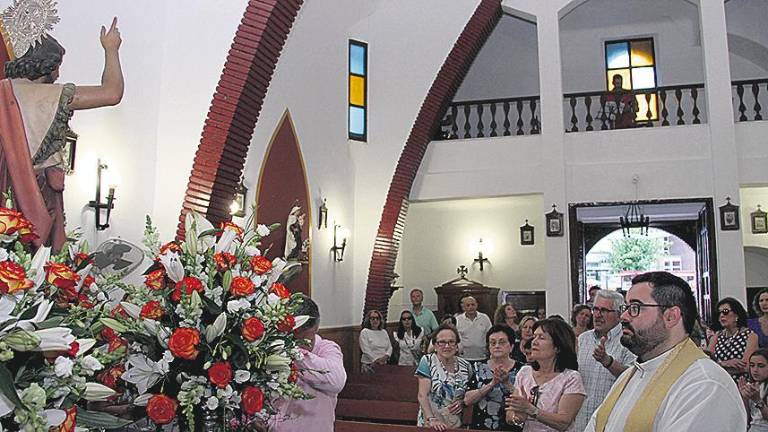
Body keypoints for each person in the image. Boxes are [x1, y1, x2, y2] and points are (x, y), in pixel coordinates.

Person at [1, 18, 124, 251]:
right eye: (57, 65)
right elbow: (112, 92)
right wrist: (111, 49)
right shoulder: (53, 96)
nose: (58, 73)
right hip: (38, 201)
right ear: (45, 65)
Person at [585, 271, 746, 431]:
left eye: (635, 307)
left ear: (671, 317)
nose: (624, 317)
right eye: (625, 308)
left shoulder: (705, 384)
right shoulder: (629, 376)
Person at [269, 294, 346, 432]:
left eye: (305, 339)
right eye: (293, 338)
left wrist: (294, 352)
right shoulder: (273, 348)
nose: (301, 344)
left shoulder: (327, 349)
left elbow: (337, 382)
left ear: (316, 327)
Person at [505, 318, 586, 432]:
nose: (534, 342)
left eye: (541, 338)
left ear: (558, 347)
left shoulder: (571, 378)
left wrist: (531, 410)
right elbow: (510, 415)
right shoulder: (525, 372)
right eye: (534, 337)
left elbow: (563, 423)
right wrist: (517, 418)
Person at [574, 290, 636, 432]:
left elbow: (633, 377)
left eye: (604, 310)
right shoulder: (583, 339)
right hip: (581, 421)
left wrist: (607, 362)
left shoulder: (628, 339)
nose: (597, 315)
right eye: (595, 309)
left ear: (618, 314)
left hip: (612, 422)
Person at [464, 325, 524, 431]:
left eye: (501, 342)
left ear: (511, 346)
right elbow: (467, 400)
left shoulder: (523, 370)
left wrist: (507, 384)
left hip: (514, 426)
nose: (497, 346)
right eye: (492, 343)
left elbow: (527, 400)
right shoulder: (477, 367)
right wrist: (492, 383)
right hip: (482, 426)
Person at [415, 324, 474, 431]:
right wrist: (431, 419)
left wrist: (462, 403)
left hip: (455, 423)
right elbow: (422, 395)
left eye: (451, 342)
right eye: (442, 342)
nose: (447, 346)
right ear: (435, 345)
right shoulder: (427, 361)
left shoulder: (466, 365)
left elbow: (468, 394)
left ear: (457, 346)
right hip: (431, 423)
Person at [709, 297, 758, 382]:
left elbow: (746, 367)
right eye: (719, 313)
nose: (721, 315)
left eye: (725, 312)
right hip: (719, 382)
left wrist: (718, 367)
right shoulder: (716, 336)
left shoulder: (750, 335)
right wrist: (724, 363)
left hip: (741, 384)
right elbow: (708, 363)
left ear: (736, 315)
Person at [738, 348, 768, 431]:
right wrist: (744, 397)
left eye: (761, 366)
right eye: (752, 365)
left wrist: (758, 401)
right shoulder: (751, 385)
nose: (755, 370)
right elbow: (746, 417)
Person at [456, 295, 493, 362]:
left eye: (473, 304)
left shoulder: (485, 318)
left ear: (476, 305)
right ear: (463, 308)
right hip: (464, 358)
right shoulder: (458, 320)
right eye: (468, 305)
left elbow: (491, 335)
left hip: (483, 357)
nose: (471, 307)